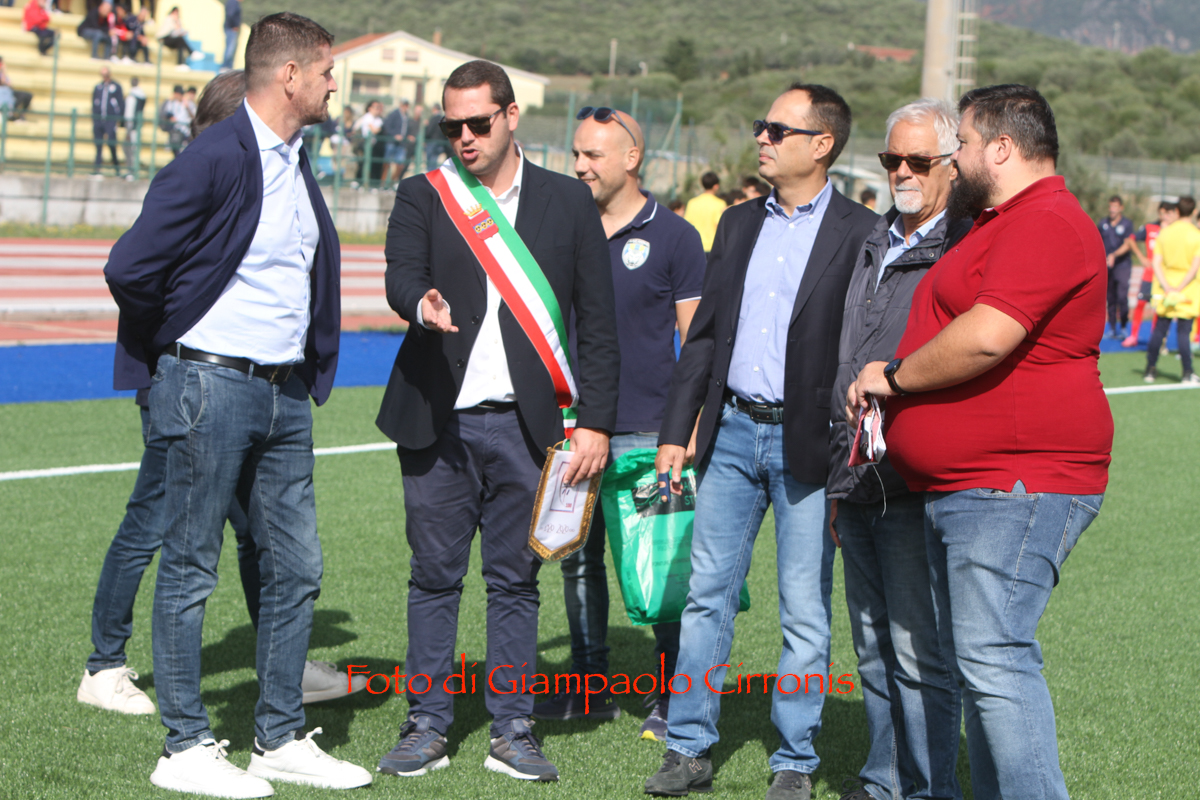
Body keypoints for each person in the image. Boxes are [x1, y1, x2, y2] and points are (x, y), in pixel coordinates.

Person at [104, 13, 371, 796]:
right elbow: (130, 267)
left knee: (296, 566)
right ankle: (184, 747)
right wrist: (181, 343)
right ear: (289, 76)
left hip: (283, 394)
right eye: (325, 71)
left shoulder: (295, 158)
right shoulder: (215, 154)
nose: (333, 84)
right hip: (209, 386)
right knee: (192, 568)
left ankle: (279, 738)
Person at [849, 83, 1112, 800]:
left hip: (1014, 483)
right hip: (975, 485)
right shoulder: (1005, 221)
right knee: (982, 663)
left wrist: (893, 376)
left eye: (961, 144)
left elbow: (990, 335)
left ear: (1000, 148)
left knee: (995, 659)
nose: (954, 159)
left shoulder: (1046, 219)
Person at [373, 59, 619, 784]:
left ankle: (512, 729)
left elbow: (598, 324)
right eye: (451, 126)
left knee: (515, 582)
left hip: (529, 427)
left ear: (511, 116)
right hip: (437, 423)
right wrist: (420, 302)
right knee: (433, 577)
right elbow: (400, 273)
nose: (465, 137)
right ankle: (426, 723)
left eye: (478, 123)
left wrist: (597, 423)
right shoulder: (425, 193)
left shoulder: (567, 202)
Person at [646, 83, 877, 800]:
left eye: (778, 129)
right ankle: (687, 747)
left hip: (810, 444)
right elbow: (705, 337)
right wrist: (676, 432)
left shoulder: (863, 231)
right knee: (705, 597)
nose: (763, 138)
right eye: (762, 126)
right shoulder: (738, 222)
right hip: (730, 435)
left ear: (822, 144)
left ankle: (795, 758)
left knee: (803, 611)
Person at [532, 107, 705, 740]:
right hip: (571, 430)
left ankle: (672, 695)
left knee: (662, 565)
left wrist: (686, 430)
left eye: (593, 155)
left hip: (648, 434)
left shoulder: (676, 236)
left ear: (632, 158)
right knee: (576, 562)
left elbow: (697, 342)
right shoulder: (557, 231)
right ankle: (589, 687)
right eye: (576, 153)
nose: (579, 166)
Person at [828, 99, 971, 800]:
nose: (903, 172)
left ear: (952, 166)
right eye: (892, 159)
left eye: (918, 160)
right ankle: (884, 780)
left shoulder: (965, 244)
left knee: (919, 653)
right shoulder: (872, 238)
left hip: (914, 476)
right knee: (871, 647)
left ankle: (928, 788)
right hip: (855, 473)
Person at [1143, 195, 1200, 384]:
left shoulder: (1165, 233)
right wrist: (1179, 288)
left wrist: (1168, 287)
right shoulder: (1196, 235)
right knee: (1184, 332)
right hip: (1187, 291)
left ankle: (1150, 370)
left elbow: (1156, 262)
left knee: (1160, 329)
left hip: (1165, 289)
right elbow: (1194, 267)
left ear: (1176, 211)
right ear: (1194, 212)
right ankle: (1187, 372)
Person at [1124, 201, 1177, 347]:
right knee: (1140, 303)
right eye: (1161, 213)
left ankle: (1157, 340)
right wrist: (1141, 257)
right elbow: (1130, 239)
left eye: (1167, 213)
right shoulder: (1150, 227)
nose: (1164, 216)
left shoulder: (1174, 230)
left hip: (1164, 277)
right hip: (1149, 274)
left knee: (1160, 308)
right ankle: (1133, 336)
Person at [1099, 194, 1134, 339]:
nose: (1112, 209)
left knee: (1122, 296)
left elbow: (1128, 244)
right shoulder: (1103, 223)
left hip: (1122, 265)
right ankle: (1112, 328)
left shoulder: (1127, 224)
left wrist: (1114, 255)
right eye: (1110, 206)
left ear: (1121, 208)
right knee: (1110, 298)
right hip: (1107, 266)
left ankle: (1124, 326)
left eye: (1115, 207)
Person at [92, 66, 124, 177]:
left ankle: (116, 168)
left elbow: (120, 103)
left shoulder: (116, 87)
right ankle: (97, 169)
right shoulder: (98, 87)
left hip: (110, 120)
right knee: (98, 145)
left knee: (111, 143)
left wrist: (118, 119)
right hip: (99, 120)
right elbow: (94, 102)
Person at [684, 171, 725, 251]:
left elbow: (688, 224)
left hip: (695, 245)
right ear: (716, 186)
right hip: (712, 247)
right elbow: (718, 226)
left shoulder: (692, 202)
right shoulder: (720, 203)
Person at [121, 74, 145, 178]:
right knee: (133, 149)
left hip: (132, 127)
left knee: (129, 149)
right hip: (137, 126)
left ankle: (131, 172)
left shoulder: (132, 97)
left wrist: (128, 129)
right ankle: (133, 171)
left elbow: (129, 114)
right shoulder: (142, 96)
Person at [381, 98, 410, 185]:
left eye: (407, 105)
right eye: (404, 105)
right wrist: (394, 135)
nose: (405, 107)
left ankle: (392, 182)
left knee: (400, 164)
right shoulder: (394, 114)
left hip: (401, 143)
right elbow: (387, 126)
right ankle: (383, 183)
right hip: (392, 142)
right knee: (387, 163)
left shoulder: (406, 116)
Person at [160, 84, 192, 155]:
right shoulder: (171, 103)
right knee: (176, 151)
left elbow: (193, 116)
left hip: (186, 131)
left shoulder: (187, 103)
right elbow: (165, 113)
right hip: (175, 131)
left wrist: (187, 107)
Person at [0, 56, 33, 121]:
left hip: (8, 91)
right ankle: (10, 114)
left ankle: (19, 115)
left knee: (27, 95)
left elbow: (9, 84)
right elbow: (2, 82)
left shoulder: (3, 72)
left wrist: (3, 71)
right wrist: (3, 71)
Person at [424, 101, 448, 167]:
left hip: (432, 142)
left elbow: (429, 130)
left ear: (434, 109)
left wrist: (425, 138)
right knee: (435, 160)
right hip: (440, 143)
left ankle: (432, 172)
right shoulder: (443, 119)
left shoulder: (433, 118)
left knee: (430, 162)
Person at [222, 0, 241, 71]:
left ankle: (228, 66)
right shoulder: (233, 2)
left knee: (231, 48)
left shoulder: (233, 2)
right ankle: (226, 66)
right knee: (230, 48)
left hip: (230, 27)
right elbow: (230, 14)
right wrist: (234, 25)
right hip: (231, 28)